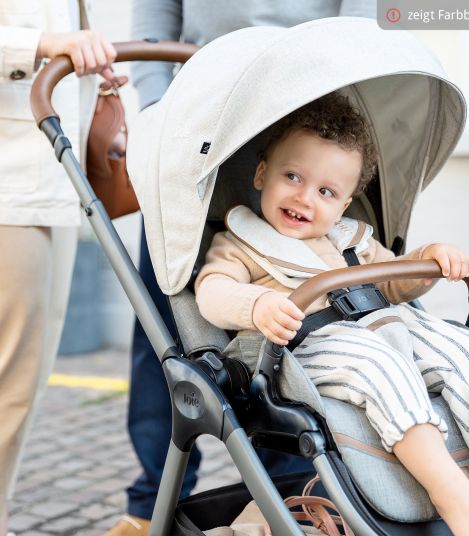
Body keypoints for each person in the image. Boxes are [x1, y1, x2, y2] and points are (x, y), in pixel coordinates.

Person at [194, 92, 469, 536]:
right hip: (312, 346)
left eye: (326, 192)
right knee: (380, 367)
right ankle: (452, 494)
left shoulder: (351, 240)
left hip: (389, 328)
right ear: (261, 174)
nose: (304, 197)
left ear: (344, 203)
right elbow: (212, 290)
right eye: (292, 176)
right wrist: (258, 305)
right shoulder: (241, 242)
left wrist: (429, 258)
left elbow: (394, 283)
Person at [108, 2, 376, 535]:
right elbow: (155, 19)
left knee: (306, 346)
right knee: (168, 337)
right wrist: (164, 121)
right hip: (198, 120)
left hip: (306, 107)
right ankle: (151, 501)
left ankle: (300, 493)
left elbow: (362, 22)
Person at [0, 2, 119, 534]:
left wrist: (91, 81)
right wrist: (45, 44)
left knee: (21, 390)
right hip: (10, 183)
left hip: (50, 184)